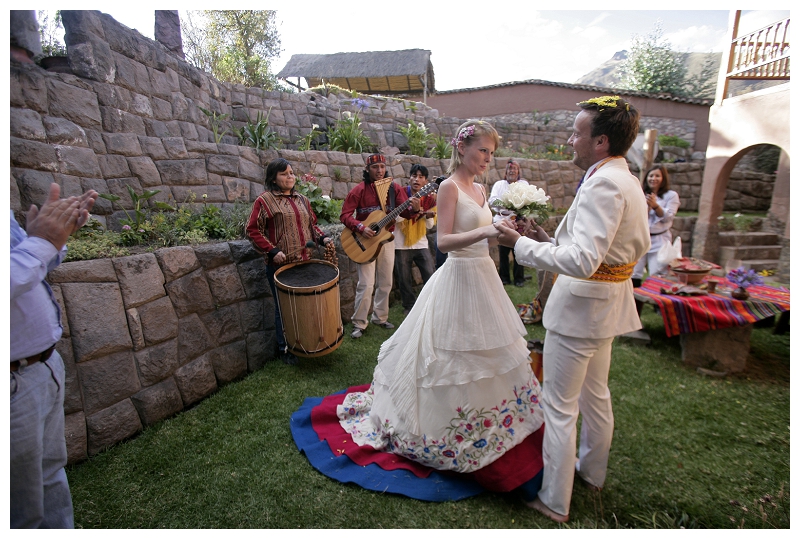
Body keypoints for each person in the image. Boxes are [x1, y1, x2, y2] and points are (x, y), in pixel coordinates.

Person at [335, 120, 545, 496]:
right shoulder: (449, 187)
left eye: (491, 153)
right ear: (461, 149)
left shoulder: (481, 188)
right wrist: (487, 230)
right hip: (459, 274)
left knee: (487, 352)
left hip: (485, 275)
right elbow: (444, 241)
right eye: (482, 150)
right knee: (448, 354)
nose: (487, 158)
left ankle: (493, 419)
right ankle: (442, 426)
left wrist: (511, 229)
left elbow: (487, 230)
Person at [496, 95, 650, 522]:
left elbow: (585, 261)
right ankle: (592, 473)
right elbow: (602, 250)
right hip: (604, 307)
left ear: (600, 141)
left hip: (581, 312)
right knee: (596, 396)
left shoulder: (603, 183)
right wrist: (547, 239)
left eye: (577, 133)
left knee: (560, 405)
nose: (569, 140)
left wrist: (519, 245)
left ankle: (554, 500)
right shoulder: (625, 178)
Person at [11, 183, 98, 528]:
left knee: (49, 476)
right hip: (15, 382)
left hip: (41, 369)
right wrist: (40, 243)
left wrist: (53, 240)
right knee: (20, 507)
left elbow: (32, 264)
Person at [247, 158, 332, 365]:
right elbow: (253, 230)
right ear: (273, 179)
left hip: (304, 262)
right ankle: (286, 349)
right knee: (284, 308)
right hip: (280, 266)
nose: (290, 176)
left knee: (304, 306)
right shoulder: (264, 201)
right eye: (284, 173)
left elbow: (312, 225)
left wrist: (323, 238)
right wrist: (272, 250)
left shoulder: (303, 199)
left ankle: (309, 343)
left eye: (292, 173)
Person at [340, 154, 419, 339]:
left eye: (382, 166)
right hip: (364, 242)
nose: (379, 171)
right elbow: (344, 215)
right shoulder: (359, 190)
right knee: (366, 284)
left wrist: (414, 209)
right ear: (367, 169)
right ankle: (359, 323)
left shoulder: (394, 189)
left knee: (386, 282)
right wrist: (360, 227)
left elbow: (406, 213)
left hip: (386, 240)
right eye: (375, 167)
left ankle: (380, 317)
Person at [632, 165, 681, 313]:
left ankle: (658, 306)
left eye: (657, 176)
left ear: (663, 178)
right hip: (641, 237)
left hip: (659, 238)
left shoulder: (671, 195)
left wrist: (655, 206)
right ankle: (634, 307)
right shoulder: (641, 193)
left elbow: (668, 216)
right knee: (635, 272)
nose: (653, 179)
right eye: (651, 176)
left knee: (657, 272)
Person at [393, 164, 436, 315]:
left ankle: (431, 303)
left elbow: (430, 225)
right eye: (414, 176)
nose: (417, 179)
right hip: (400, 242)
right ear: (409, 178)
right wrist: (415, 212)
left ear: (426, 181)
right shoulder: (401, 194)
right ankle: (409, 306)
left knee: (430, 274)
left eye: (421, 177)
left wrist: (426, 214)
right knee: (404, 278)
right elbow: (396, 218)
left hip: (420, 241)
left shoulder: (430, 198)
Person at [489, 159, 529, 286]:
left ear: (518, 171)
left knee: (519, 250)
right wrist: (507, 203)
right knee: (503, 252)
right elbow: (492, 200)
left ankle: (519, 279)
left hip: (519, 221)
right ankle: (504, 278)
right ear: (506, 172)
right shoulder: (499, 184)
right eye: (510, 169)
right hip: (502, 221)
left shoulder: (523, 184)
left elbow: (527, 201)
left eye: (515, 169)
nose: (512, 171)